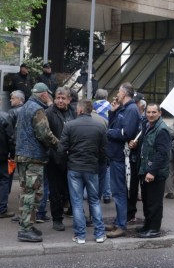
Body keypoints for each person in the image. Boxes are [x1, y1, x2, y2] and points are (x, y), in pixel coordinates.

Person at [57, 99, 107, 244]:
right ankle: (99, 234)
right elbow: (103, 151)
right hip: (92, 168)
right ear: (90, 110)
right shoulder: (100, 126)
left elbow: (61, 149)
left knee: (77, 202)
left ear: (79, 110)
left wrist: (66, 162)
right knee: (94, 201)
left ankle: (80, 235)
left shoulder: (70, 125)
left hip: (74, 167)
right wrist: (99, 164)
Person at [15, 83, 60, 243]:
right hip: (34, 157)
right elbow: (44, 134)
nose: (49, 96)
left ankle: (27, 224)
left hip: (22, 155)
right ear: (43, 95)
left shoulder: (25, 107)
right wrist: (59, 145)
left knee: (27, 191)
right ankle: (25, 229)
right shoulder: (37, 110)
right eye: (48, 94)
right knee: (32, 193)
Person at [130, 103, 171, 238]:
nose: (151, 115)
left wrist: (152, 172)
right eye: (148, 112)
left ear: (159, 113)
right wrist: (135, 145)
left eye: (154, 112)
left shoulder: (162, 129)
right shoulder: (147, 126)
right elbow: (145, 147)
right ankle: (147, 226)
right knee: (147, 202)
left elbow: (162, 154)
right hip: (145, 170)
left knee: (154, 203)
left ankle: (154, 229)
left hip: (155, 173)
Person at [105, 83, 140, 238]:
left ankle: (121, 225)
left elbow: (126, 133)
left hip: (121, 157)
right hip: (115, 155)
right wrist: (112, 112)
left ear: (125, 94)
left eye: (118, 91)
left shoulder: (131, 110)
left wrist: (108, 132)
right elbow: (113, 125)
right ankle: (119, 220)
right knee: (117, 191)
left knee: (119, 191)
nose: (116, 94)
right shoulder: (123, 108)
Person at [45, 87, 75, 231]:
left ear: (69, 100)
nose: (60, 101)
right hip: (54, 158)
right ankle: (57, 219)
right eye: (58, 98)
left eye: (63, 98)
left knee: (72, 189)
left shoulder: (74, 112)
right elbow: (46, 134)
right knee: (55, 190)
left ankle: (76, 215)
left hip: (72, 158)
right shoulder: (49, 113)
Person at [92, 88, 112, 204]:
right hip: (107, 140)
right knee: (106, 168)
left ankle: (94, 194)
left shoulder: (92, 107)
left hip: (94, 141)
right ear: (106, 97)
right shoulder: (110, 108)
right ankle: (107, 194)